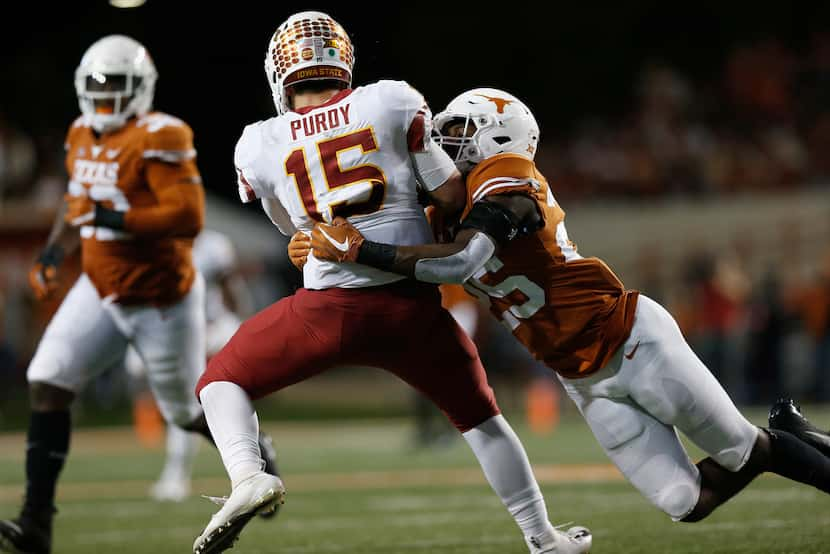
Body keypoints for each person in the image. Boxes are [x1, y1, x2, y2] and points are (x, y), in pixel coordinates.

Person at [305, 87, 830, 526]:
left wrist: (355, 248)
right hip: (577, 376)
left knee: (742, 448)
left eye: (462, 129)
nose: (446, 140)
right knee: (684, 503)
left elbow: (461, 260)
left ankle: (783, 442)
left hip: (628, 338)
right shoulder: (439, 212)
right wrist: (317, 247)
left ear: (498, 135)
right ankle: (789, 435)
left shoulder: (507, 172)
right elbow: (397, 255)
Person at [192, 12, 590, 554]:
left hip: (326, 308)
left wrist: (315, 233)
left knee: (220, 381)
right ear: (342, 60)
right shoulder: (390, 100)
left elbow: (294, 230)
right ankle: (543, 538)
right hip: (410, 307)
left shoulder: (258, 142)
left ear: (278, 74)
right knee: (482, 420)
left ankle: (247, 475)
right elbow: (450, 196)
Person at [0, 35, 277, 554]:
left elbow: (186, 216)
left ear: (141, 89)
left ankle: (256, 455)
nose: (105, 97)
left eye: (117, 86)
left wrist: (112, 217)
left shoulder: (162, 134)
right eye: (98, 86)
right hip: (100, 287)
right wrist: (54, 253)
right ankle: (36, 520)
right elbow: (75, 200)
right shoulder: (81, 132)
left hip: (160, 299)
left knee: (180, 411)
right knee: (47, 381)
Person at [124, 228, 261, 502]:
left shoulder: (214, 245)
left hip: (210, 329)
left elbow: (230, 288)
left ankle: (177, 476)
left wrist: (246, 323)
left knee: (188, 400)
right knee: (136, 364)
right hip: (172, 330)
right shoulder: (155, 246)